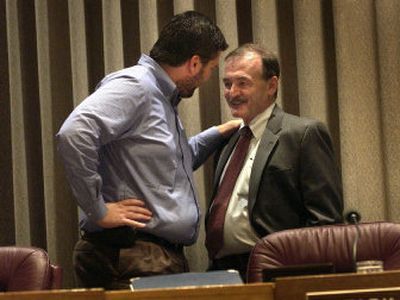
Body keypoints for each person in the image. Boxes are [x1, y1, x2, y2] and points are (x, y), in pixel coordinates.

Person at [56, 11, 240, 290]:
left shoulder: (159, 96)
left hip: (147, 257)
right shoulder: (137, 86)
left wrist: (220, 132)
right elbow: (74, 133)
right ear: (193, 63)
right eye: (212, 68)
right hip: (130, 256)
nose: (207, 78)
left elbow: (173, 162)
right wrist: (98, 210)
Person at [205, 43, 344, 281]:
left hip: (279, 272)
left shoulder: (303, 134)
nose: (232, 93)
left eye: (243, 83)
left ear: (271, 85)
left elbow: (326, 222)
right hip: (225, 273)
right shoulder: (229, 143)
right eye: (227, 84)